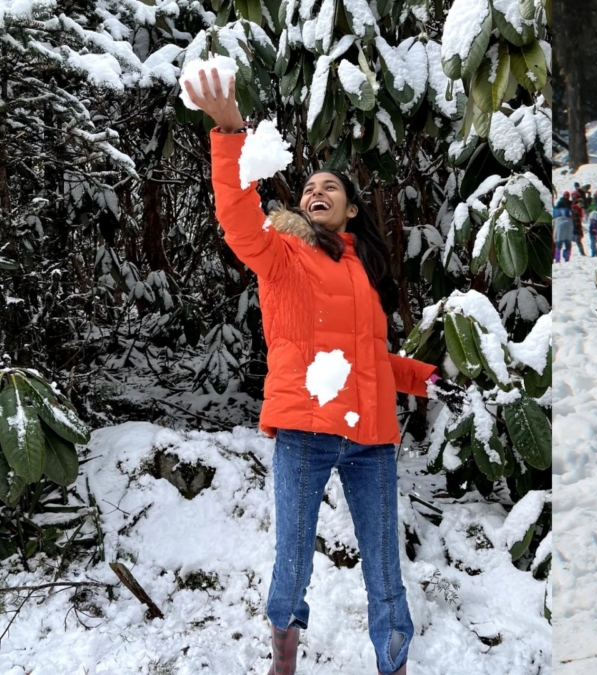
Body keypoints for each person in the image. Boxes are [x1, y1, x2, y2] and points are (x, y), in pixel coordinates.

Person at [185, 68, 460, 675]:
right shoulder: (280, 255)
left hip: (371, 442)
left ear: (350, 208)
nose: (316, 190)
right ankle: (284, 651)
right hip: (306, 430)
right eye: (309, 185)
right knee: (293, 561)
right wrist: (230, 131)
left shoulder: (363, 277)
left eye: (329, 185)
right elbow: (236, 216)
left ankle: (395, 663)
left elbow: (373, 362)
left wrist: (432, 380)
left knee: (385, 568)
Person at [553, 193, 574, 263]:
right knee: (568, 241)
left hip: (559, 224)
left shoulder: (555, 210)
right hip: (568, 224)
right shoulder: (568, 210)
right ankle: (567, 258)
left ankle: (557, 259)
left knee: (559, 243)